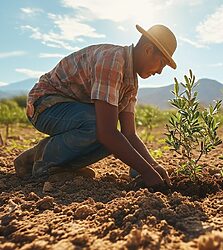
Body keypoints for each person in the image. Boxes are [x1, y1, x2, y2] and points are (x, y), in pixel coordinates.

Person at [13, 24, 177, 188]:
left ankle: (59, 167)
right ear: (148, 50)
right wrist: (148, 174)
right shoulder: (112, 60)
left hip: (72, 111)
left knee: (115, 140)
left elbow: (129, 134)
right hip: (45, 104)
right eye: (162, 63)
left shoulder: (131, 84)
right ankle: (38, 161)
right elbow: (106, 131)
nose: (160, 71)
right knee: (101, 127)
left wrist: (152, 166)